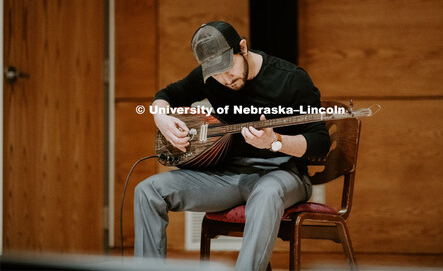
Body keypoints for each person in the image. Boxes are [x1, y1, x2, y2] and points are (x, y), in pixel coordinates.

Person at [134, 21, 331, 271]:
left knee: (266, 193)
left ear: (242, 47)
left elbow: (320, 143)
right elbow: (168, 94)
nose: (224, 79)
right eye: (215, 73)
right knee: (148, 190)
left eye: (228, 68)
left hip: (282, 173)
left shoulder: (291, 79)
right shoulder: (211, 79)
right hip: (228, 176)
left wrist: (275, 142)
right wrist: (161, 117)